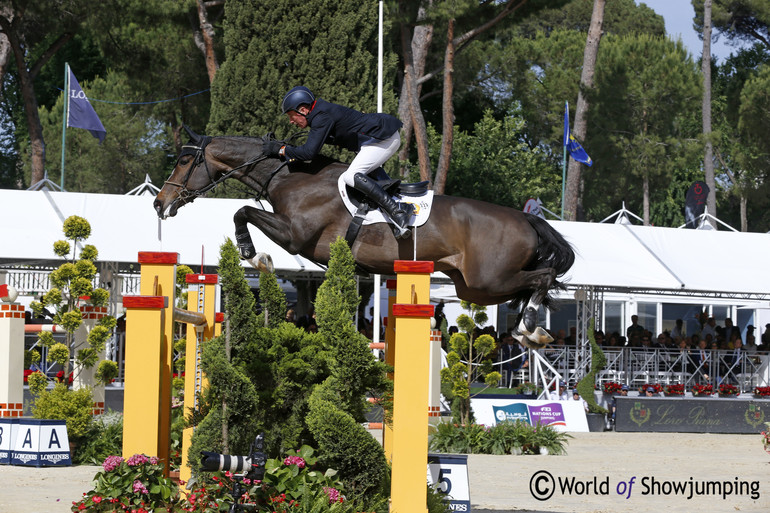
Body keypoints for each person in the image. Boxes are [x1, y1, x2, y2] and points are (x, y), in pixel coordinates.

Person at [266, 86, 414, 238]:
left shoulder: (321, 117)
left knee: (350, 176)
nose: (291, 121)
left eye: (291, 116)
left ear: (303, 110)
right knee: (373, 179)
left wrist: (282, 150)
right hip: (375, 140)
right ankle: (399, 207)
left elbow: (308, 153)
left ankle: (398, 212)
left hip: (382, 138)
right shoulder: (319, 114)